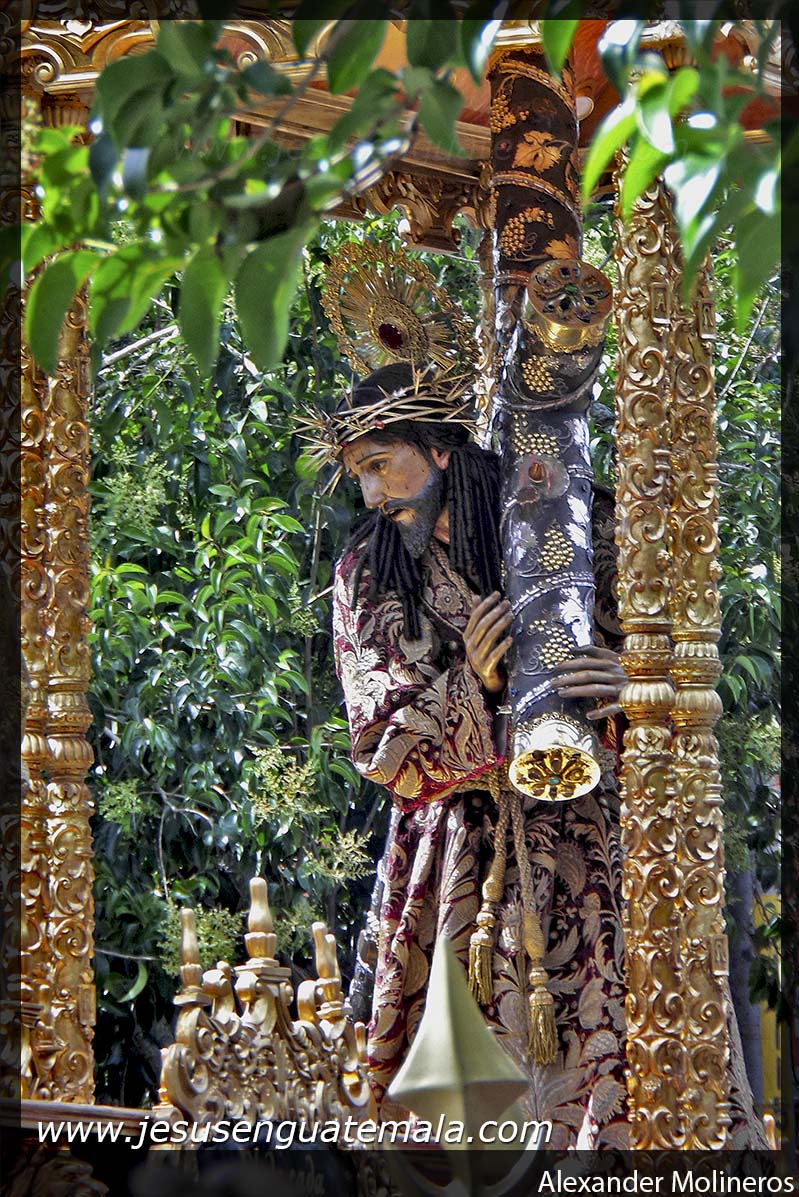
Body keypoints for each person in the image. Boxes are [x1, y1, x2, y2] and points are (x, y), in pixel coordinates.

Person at [330, 361, 767, 1150]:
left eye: (378, 465)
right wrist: (473, 682)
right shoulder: (367, 572)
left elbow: (683, 673)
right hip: (460, 869)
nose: (369, 495)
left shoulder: (577, 518)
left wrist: (633, 685)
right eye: (357, 474)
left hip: (600, 849)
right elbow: (379, 746)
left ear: (437, 449)